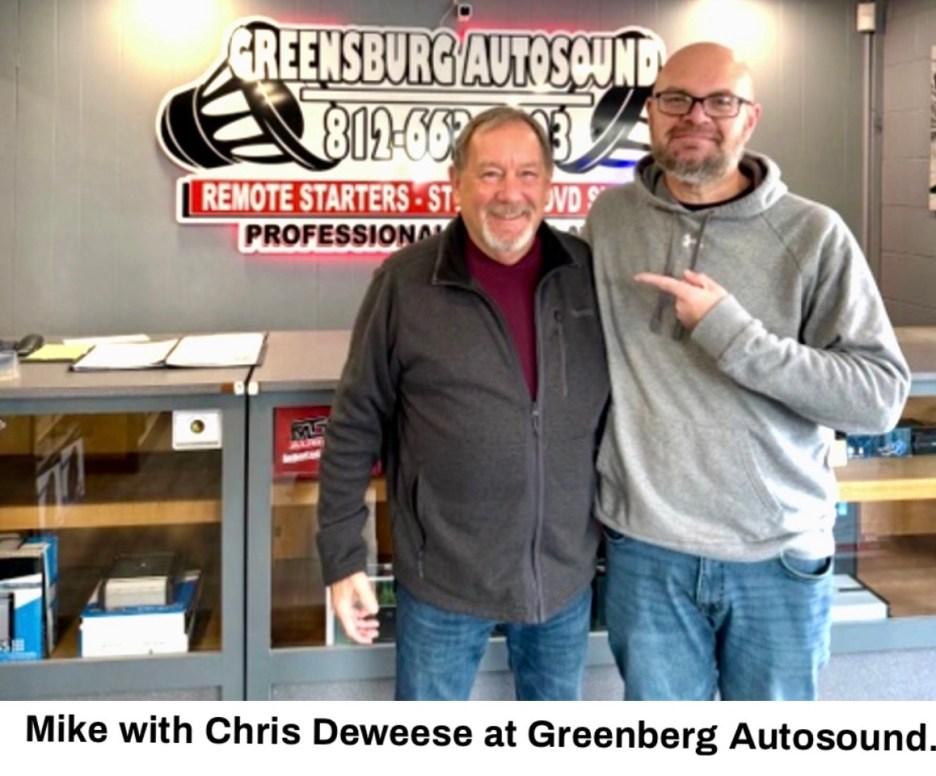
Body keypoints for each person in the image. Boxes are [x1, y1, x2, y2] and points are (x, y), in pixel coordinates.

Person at [582, 42, 910, 700]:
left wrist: (734, 336)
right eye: (675, 98)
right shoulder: (610, 220)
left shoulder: (815, 233)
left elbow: (878, 398)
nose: (695, 115)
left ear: (750, 118)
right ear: (650, 111)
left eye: (720, 101)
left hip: (777, 557)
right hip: (647, 551)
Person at [316, 106, 609, 700]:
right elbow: (353, 425)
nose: (510, 194)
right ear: (455, 182)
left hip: (561, 578)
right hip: (443, 578)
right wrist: (342, 558)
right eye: (490, 174)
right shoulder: (404, 283)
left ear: (550, 186)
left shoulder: (587, 275)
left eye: (527, 174)